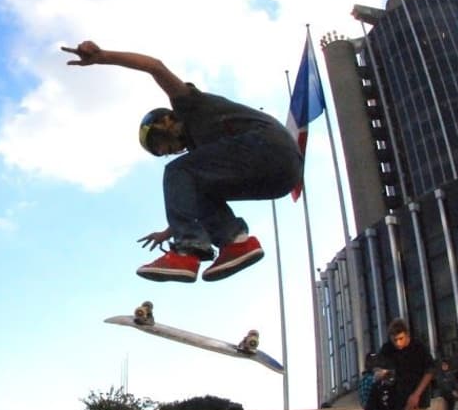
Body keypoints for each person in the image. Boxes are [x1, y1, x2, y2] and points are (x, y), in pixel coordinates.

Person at [61, 40, 301, 283]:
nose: (168, 151)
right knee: (196, 187)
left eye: (162, 146)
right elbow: (189, 200)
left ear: (165, 124)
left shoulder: (188, 106)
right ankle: (237, 244)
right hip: (281, 178)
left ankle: (187, 251)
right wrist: (169, 231)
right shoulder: (206, 158)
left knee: (178, 171)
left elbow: (155, 67)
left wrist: (103, 56)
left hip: (270, 145)